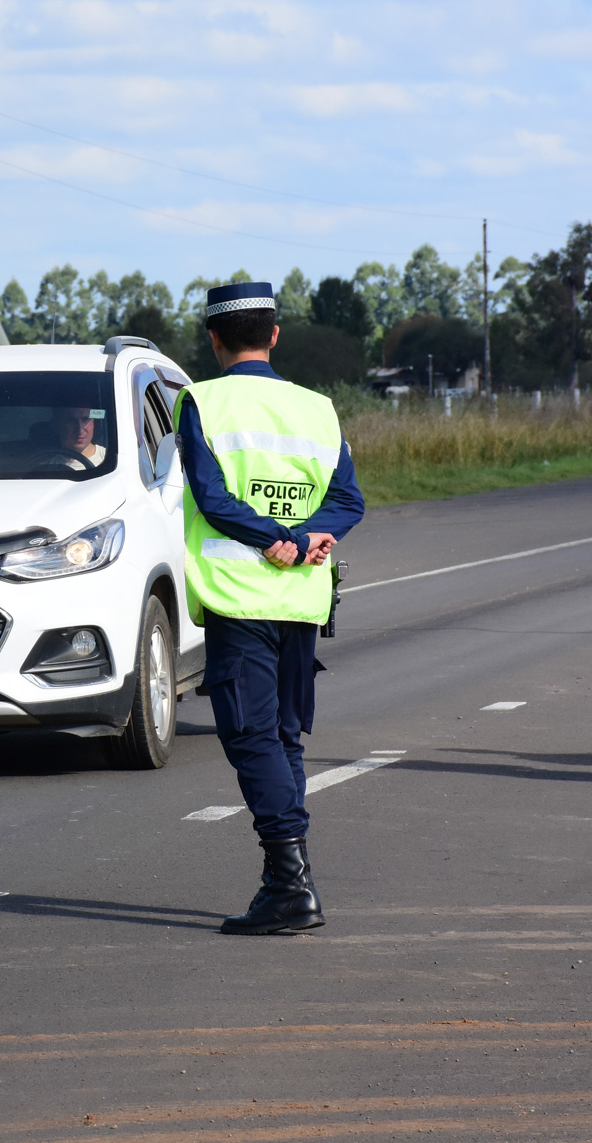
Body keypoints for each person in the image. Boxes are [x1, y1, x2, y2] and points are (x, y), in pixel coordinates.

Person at [174, 282, 366, 935]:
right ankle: (286, 881)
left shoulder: (201, 400)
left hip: (242, 595)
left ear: (214, 338)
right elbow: (349, 500)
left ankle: (291, 884)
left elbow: (212, 498)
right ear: (275, 335)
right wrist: (309, 533)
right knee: (282, 738)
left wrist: (277, 539)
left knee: (252, 738)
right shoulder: (318, 408)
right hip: (304, 599)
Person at [43, 405, 107, 469]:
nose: (80, 430)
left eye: (85, 419)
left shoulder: (109, 459)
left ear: (94, 423)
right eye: (71, 421)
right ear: (56, 425)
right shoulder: (46, 467)